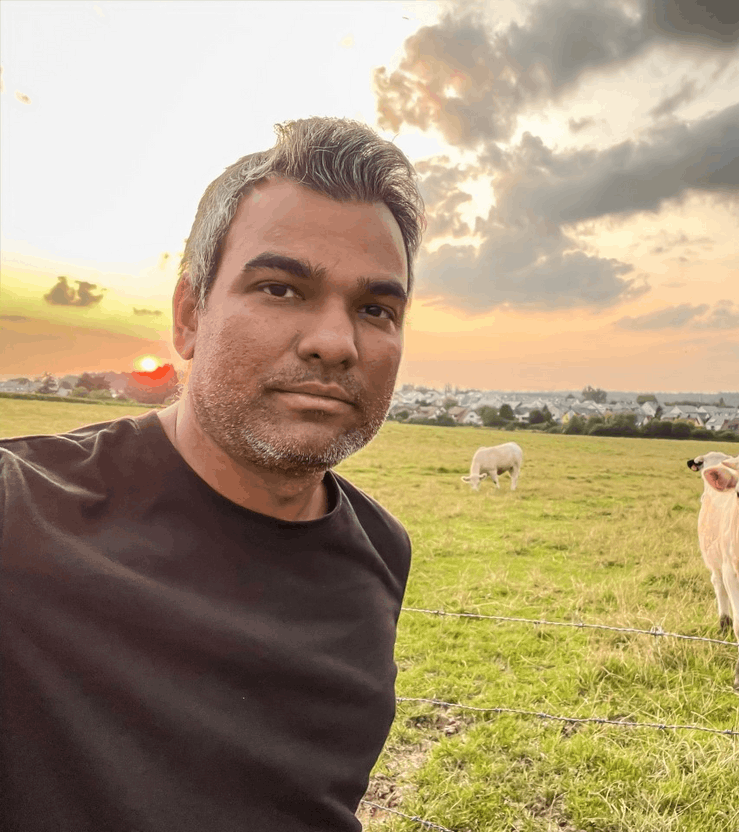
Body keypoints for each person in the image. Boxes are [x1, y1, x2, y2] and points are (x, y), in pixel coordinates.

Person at [0, 117, 425, 831]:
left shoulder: (381, 549)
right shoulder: (24, 512)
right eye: (280, 289)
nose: (334, 342)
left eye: (375, 308)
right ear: (190, 313)